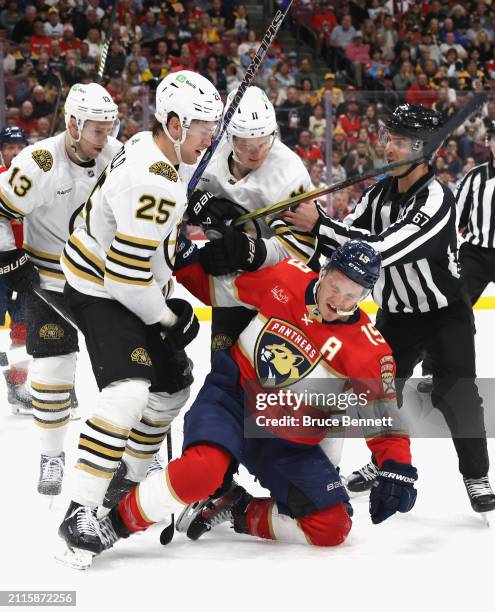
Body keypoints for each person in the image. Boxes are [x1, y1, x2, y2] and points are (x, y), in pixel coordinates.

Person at [82, 241, 418, 562]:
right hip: (233, 399)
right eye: (335, 286)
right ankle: (110, 526)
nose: (338, 301)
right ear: (325, 271)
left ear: (364, 296)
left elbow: (384, 420)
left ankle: (236, 507)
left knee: (332, 526)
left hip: (287, 439)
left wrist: (397, 468)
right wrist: (183, 258)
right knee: (202, 472)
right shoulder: (287, 277)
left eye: (351, 295)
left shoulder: (369, 351)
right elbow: (221, 289)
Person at [282, 104, 495, 515]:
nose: (387, 147)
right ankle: (384, 464)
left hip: (442, 313)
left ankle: (476, 474)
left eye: (397, 141)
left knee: (459, 394)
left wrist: (320, 225)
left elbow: (383, 249)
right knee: (375, 395)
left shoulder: (438, 198)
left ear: (422, 148)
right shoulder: (378, 194)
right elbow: (350, 240)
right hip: (395, 316)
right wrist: (308, 221)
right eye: (388, 138)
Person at [57, 71, 223, 569]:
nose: (210, 139)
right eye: (202, 130)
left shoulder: (148, 146)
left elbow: (147, 243)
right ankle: (78, 511)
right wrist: (169, 317)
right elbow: (126, 280)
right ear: (174, 124)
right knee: (129, 390)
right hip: (100, 291)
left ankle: (125, 477)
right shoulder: (156, 181)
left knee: (172, 386)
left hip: (125, 282)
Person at [0, 83, 121, 497]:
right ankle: (52, 454)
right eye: (96, 130)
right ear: (72, 123)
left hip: (104, 283)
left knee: (125, 373)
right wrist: (9, 259)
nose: (104, 139)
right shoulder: (37, 161)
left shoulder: (116, 155)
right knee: (52, 372)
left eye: (109, 129)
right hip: (49, 283)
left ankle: (137, 451)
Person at [186, 86, 317, 354]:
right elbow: (173, 193)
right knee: (223, 365)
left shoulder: (289, 174)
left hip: (278, 289)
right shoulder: (206, 153)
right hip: (230, 285)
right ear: (228, 136)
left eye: (263, 142)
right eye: (245, 145)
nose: (256, 152)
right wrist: (197, 204)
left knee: (270, 373)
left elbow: (302, 250)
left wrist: (249, 252)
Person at [418, 119, 495, 394]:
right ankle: (436, 372)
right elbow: (455, 220)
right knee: (450, 309)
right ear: (489, 143)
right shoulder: (475, 177)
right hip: (475, 253)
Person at [0, 126, 30, 414]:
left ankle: (17, 386)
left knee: (23, 331)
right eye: (9, 147)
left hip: (23, 268)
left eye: (20, 147)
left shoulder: (35, 183)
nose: (15, 152)